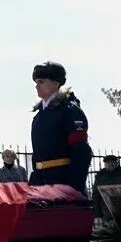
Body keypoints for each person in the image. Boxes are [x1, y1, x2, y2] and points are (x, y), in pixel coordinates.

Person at [28, 62, 92, 195]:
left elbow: (81, 150)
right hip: (41, 184)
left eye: (41, 81)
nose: (36, 85)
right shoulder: (38, 117)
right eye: (36, 82)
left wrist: (73, 187)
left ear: (56, 83)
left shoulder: (69, 110)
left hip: (63, 183)